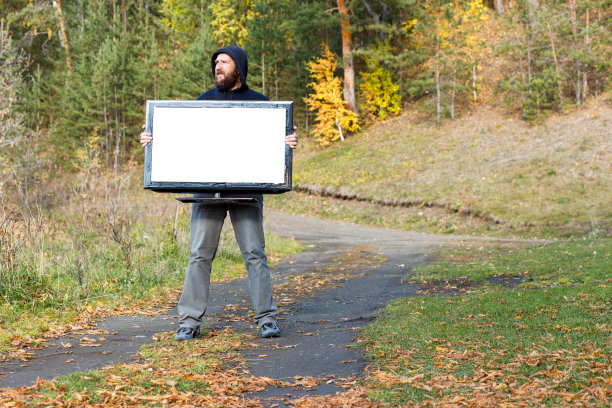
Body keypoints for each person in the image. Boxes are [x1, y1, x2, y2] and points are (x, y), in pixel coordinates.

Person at [140, 45, 298, 340]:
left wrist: (286, 140)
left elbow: (274, 145)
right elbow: (182, 141)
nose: (217, 66)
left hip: (246, 193)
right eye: (215, 62)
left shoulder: (262, 105)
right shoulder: (201, 103)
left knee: (254, 254)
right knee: (199, 255)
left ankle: (266, 319)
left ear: (239, 66)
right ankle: (188, 321)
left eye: (223, 62)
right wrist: (153, 138)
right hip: (205, 192)